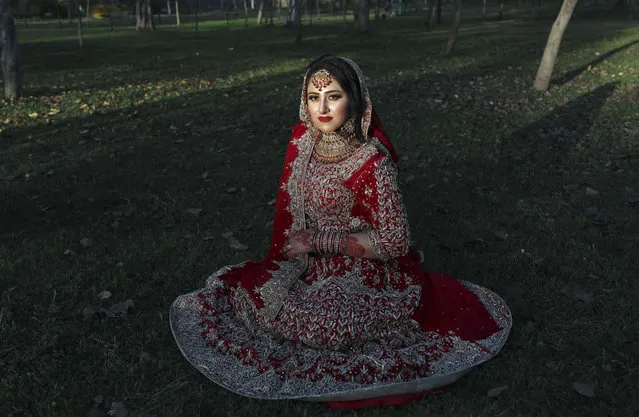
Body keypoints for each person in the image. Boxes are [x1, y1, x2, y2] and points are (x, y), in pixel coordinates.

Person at [170, 55, 511, 408]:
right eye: (313, 97)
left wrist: (319, 240)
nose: (322, 107)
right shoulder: (306, 145)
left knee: (325, 324)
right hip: (310, 266)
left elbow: (395, 240)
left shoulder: (372, 163)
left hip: (365, 271)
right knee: (251, 295)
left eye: (333, 96)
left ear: (355, 99)